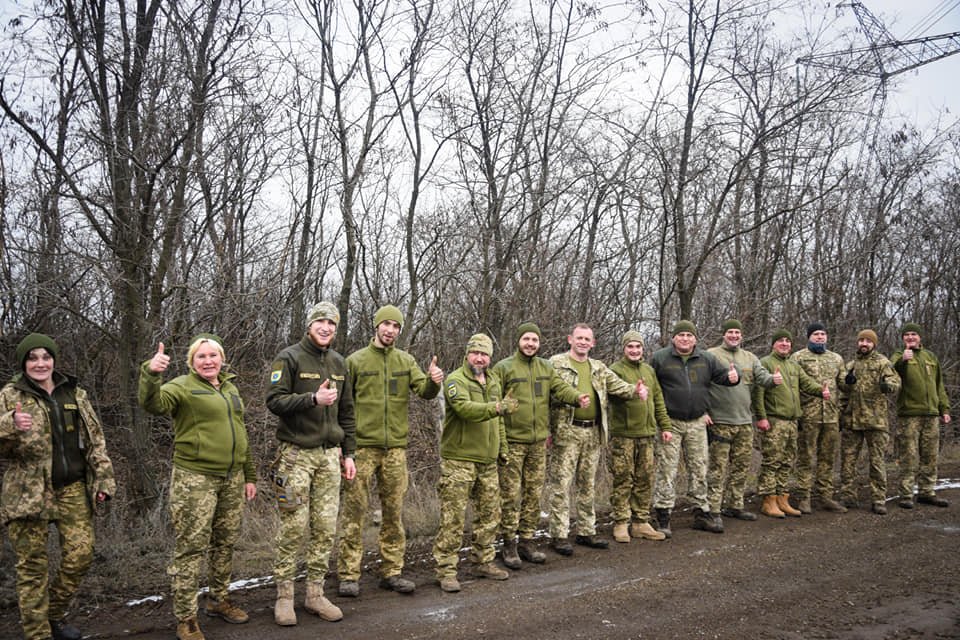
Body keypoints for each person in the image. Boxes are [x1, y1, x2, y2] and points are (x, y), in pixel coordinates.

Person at [139, 334, 256, 640]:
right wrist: (151, 374)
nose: (208, 361)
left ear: (222, 359)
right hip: (196, 479)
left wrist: (250, 475)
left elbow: (241, 432)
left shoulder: (230, 388)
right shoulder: (182, 386)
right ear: (191, 361)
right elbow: (152, 404)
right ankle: (186, 618)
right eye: (201, 356)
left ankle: (218, 600)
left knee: (224, 543)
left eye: (213, 355)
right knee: (190, 549)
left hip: (232, 479)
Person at [2, 333, 115, 640]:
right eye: (32, 358)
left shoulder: (74, 392)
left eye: (45, 357)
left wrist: (103, 478)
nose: (40, 363)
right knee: (32, 567)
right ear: (24, 363)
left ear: (54, 359)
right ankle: (37, 633)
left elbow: (95, 439)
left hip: (72, 488)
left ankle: (52, 613)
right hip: (28, 494)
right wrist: (9, 424)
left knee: (81, 554)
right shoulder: (10, 395)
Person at [337, 305, 443, 597]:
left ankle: (392, 571)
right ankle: (348, 574)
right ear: (376, 327)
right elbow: (342, 406)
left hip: (395, 449)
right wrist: (342, 445)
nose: (390, 331)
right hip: (361, 449)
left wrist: (434, 383)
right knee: (354, 512)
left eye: (396, 327)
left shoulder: (405, 360)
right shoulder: (355, 361)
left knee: (393, 513)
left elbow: (423, 390)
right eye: (386, 325)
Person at [266, 302, 356, 626]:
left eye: (332, 323)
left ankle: (315, 594)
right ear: (309, 325)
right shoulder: (289, 357)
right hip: (295, 456)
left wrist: (350, 454)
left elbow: (347, 412)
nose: (326, 327)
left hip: (330, 457)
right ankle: (285, 597)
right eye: (321, 321)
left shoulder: (339, 363)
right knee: (292, 527)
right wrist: (312, 399)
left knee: (324, 528)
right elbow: (274, 401)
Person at [492, 322, 588, 568]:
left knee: (533, 494)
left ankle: (526, 540)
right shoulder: (504, 368)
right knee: (510, 496)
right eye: (526, 339)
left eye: (535, 340)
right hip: (513, 442)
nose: (531, 344)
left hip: (537, 443)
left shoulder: (545, 367)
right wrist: (500, 442)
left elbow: (560, 388)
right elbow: (495, 404)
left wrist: (577, 398)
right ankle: (509, 544)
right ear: (519, 341)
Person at [546, 323, 643, 555]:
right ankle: (559, 535)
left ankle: (586, 531)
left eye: (587, 339)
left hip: (593, 432)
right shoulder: (555, 364)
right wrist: (547, 429)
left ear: (593, 343)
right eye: (579, 338)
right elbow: (545, 397)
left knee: (587, 483)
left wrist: (634, 390)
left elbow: (616, 385)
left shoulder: (598, 367)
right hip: (566, 431)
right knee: (561, 484)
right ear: (570, 339)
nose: (582, 342)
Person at [433, 334, 517, 593]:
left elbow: (498, 420)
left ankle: (484, 561)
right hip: (459, 460)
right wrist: (497, 407)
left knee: (489, 516)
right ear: (467, 354)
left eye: (484, 354)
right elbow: (465, 409)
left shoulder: (493, 380)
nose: (479, 358)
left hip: (488, 461)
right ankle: (446, 570)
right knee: (453, 519)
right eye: (475, 353)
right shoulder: (456, 380)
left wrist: (502, 448)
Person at [649, 320, 739, 536]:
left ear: (695, 339)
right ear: (674, 338)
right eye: (681, 335)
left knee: (699, 468)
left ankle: (702, 513)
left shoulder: (706, 358)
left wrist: (734, 378)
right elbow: (651, 387)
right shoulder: (660, 358)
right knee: (667, 469)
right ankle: (663, 515)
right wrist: (658, 421)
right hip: (670, 422)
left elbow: (723, 377)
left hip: (698, 422)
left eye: (689, 336)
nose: (685, 339)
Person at [706, 320, 781, 523]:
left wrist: (773, 380)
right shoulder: (711, 355)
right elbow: (701, 385)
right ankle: (712, 509)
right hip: (720, 421)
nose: (733, 335)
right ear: (724, 334)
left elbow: (762, 378)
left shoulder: (750, 357)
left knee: (741, 466)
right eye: (730, 331)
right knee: (717, 468)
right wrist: (704, 412)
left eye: (737, 332)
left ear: (741, 335)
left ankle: (735, 505)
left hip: (744, 422)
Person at [753, 329, 828, 519]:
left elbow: (807, 383)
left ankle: (782, 498)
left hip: (792, 421)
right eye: (780, 341)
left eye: (788, 341)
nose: (785, 344)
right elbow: (758, 393)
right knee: (772, 461)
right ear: (773, 344)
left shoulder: (793, 365)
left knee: (787, 461)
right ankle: (768, 500)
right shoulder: (765, 363)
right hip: (774, 421)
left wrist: (821, 390)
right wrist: (761, 417)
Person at [608, 331, 670, 543]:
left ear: (643, 349)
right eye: (630, 347)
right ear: (624, 349)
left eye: (638, 347)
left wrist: (665, 425)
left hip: (647, 434)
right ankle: (621, 522)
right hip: (623, 435)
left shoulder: (649, 371)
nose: (634, 351)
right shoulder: (615, 370)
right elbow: (612, 393)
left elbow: (658, 400)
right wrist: (632, 391)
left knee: (645, 478)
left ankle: (640, 522)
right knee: (623, 479)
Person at [837, 330, 901, 514]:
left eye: (868, 341)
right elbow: (843, 390)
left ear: (874, 343)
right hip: (852, 420)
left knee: (877, 462)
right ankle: (848, 496)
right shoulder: (851, 365)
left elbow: (895, 383)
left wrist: (886, 385)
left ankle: (878, 499)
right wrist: (846, 384)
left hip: (876, 421)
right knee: (848, 461)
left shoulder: (883, 363)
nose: (864, 343)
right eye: (861, 340)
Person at [892, 322, 952, 509]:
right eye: (907, 335)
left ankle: (927, 491)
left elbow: (938, 385)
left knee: (930, 455)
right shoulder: (898, 355)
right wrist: (902, 360)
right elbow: (890, 373)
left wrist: (944, 408)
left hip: (931, 414)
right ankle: (906, 494)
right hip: (909, 414)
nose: (910, 337)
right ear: (903, 338)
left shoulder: (930, 357)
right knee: (909, 455)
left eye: (914, 334)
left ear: (920, 337)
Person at [791, 322, 847, 514]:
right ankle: (804, 497)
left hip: (831, 416)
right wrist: (796, 413)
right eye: (816, 334)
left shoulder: (836, 358)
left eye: (823, 334)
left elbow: (843, 385)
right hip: (809, 415)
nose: (820, 337)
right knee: (806, 457)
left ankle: (825, 496)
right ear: (809, 337)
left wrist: (851, 382)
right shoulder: (798, 357)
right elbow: (793, 387)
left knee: (827, 457)